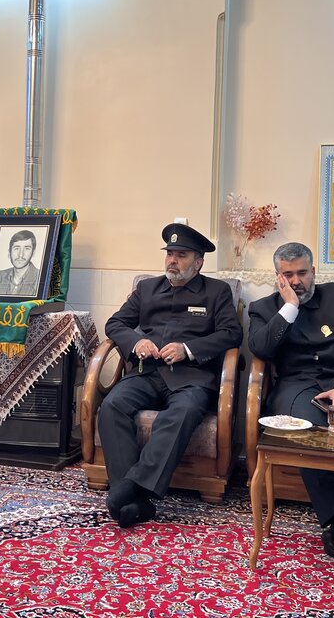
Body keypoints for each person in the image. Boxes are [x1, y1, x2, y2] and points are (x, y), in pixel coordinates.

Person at [248, 242, 334, 559]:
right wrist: (290, 307)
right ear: (278, 276)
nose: (296, 281)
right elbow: (261, 348)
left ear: (314, 271)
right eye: (288, 275)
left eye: (302, 273)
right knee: (304, 432)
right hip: (297, 386)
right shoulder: (264, 308)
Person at [99, 223, 242, 527]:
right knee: (112, 405)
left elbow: (232, 333)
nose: (172, 261)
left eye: (181, 255)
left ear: (198, 262)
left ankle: (132, 486)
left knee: (183, 411)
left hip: (192, 377)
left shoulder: (217, 292)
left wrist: (188, 349)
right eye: (169, 254)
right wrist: (136, 342)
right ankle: (134, 502)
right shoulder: (147, 289)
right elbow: (115, 324)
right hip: (148, 373)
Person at [0, 229, 41, 297]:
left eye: (27, 248)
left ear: (33, 253)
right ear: (9, 252)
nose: (20, 254)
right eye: (16, 248)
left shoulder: (40, 277)